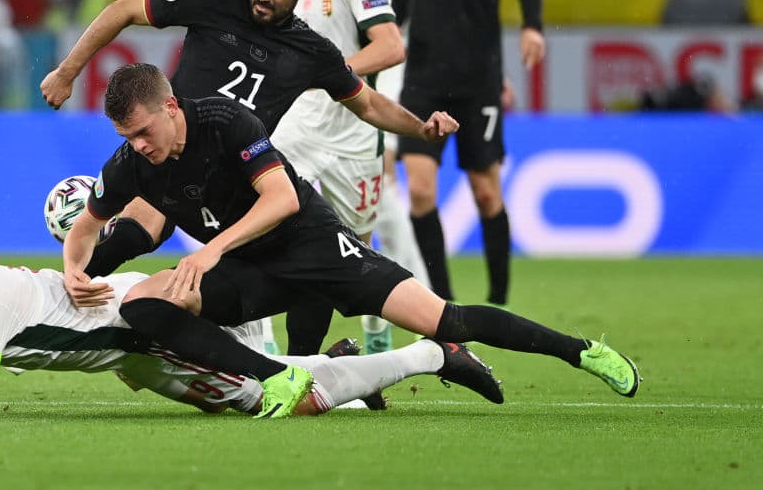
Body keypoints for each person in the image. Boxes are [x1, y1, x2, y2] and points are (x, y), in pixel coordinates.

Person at [62, 62, 640, 418]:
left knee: (446, 318)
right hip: (249, 272)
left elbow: (282, 199)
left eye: (142, 131)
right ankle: (276, 376)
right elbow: (86, 227)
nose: (137, 145)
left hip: (313, 246)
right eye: (125, 137)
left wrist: (211, 248)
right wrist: (73, 268)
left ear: (170, 107)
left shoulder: (226, 122)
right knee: (144, 303)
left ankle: (582, 350)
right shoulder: (132, 165)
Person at [40, 0, 464, 301]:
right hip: (176, 155)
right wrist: (67, 71)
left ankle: (307, 368)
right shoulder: (210, 3)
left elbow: (367, 103)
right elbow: (124, 9)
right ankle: (53, 307)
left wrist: (420, 129)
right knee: (131, 235)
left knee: (308, 270)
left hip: (241, 184)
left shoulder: (313, 52)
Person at [0, 213, 497, 419]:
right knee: (256, 395)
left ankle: (431, 355)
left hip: (139, 324)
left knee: (281, 400)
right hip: (132, 358)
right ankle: (345, 358)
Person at [389, 0, 546, 307]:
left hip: (478, 78)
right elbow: (399, 2)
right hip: (422, 81)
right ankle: (446, 305)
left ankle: (499, 300)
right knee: (418, 193)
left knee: (485, 193)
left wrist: (532, 26)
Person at [266, 0, 422, 357]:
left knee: (357, 246)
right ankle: (268, 347)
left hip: (354, 133)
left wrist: (333, 72)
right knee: (263, 219)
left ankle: (376, 325)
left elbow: (391, 46)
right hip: (292, 129)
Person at [330, 0, 433, 352]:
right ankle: (405, 305)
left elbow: (417, 8)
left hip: (389, 70)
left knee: (385, 185)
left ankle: (419, 300)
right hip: (335, 81)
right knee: (361, 203)